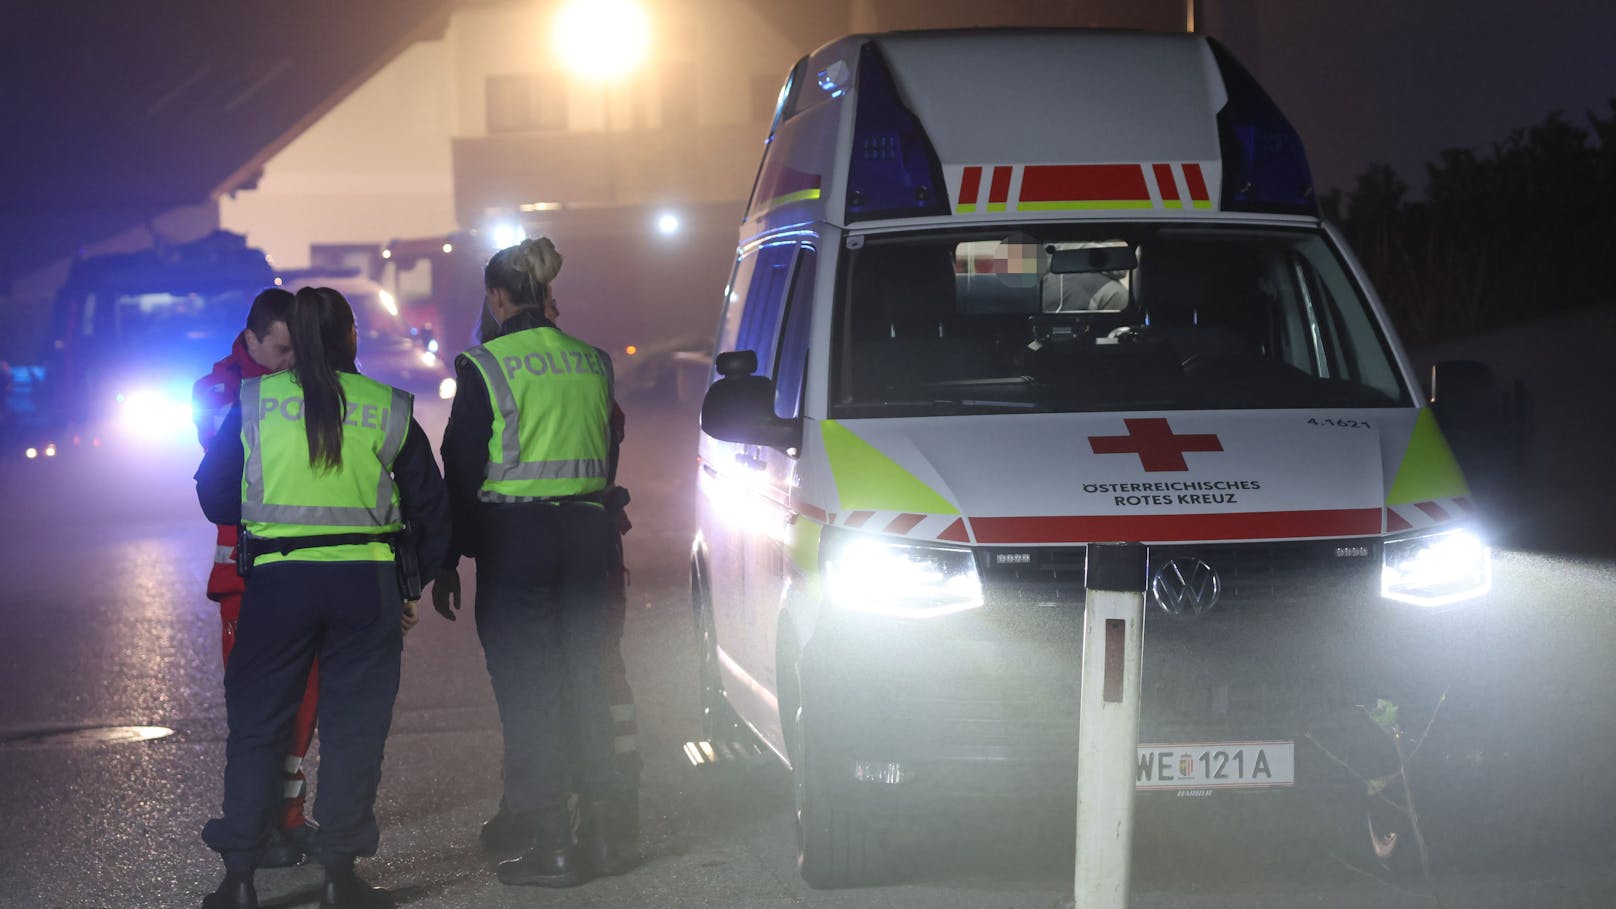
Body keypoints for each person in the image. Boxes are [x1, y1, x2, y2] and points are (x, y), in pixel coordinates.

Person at [194, 287, 450, 909]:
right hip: (365, 587)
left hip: (278, 584)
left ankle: (240, 879)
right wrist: (418, 578)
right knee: (354, 730)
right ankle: (340, 877)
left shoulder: (254, 403)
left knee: (257, 727)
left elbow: (215, 497)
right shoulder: (386, 406)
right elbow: (431, 506)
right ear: (351, 337)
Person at [433, 236, 638, 888]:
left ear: (497, 297)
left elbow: (461, 470)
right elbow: (608, 448)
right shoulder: (593, 361)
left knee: (531, 691)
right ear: (546, 293)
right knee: (588, 679)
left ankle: (551, 843)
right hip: (586, 533)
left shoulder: (485, 365)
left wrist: (447, 558)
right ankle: (605, 835)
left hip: (515, 542)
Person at [191, 288, 320, 868]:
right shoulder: (220, 392)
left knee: (305, 703)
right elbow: (229, 474)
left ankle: (289, 817)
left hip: (301, 564)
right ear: (251, 340)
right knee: (258, 708)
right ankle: (257, 825)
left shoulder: (291, 382)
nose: (291, 361)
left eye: (299, 350)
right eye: (281, 349)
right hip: (245, 573)